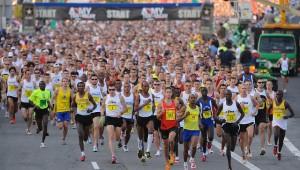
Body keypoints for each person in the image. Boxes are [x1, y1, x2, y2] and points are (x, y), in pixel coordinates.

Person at [216, 90, 244, 170]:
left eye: (229, 94)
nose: (228, 96)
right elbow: (216, 115)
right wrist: (220, 120)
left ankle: (229, 143)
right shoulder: (223, 104)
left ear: (231, 95)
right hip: (226, 125)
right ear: (225, 95)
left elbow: (242, 114)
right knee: (228, 146)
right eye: (226, 94)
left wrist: (237, 121)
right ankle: (229, 166)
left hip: (234, 126)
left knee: (232, 148)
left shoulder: (236, 103)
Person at [102, 81, 127, 164]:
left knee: (116, 137)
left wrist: (121, 113)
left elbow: (125, 108)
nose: (111, 91)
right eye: (110, 89)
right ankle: (113, 156)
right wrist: (102, 114)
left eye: (113, 89)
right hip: (109, 118)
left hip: (118, 118)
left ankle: (120, 137)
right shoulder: (106, 98)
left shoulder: (120, 97)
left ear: (115, 89)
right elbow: (102, 107)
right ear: (108, 90)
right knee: (111, 137)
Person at [72, 82, 97, 161]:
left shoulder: (88, 95)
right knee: (80, 134)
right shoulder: (75, 96)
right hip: (79, 116)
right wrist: (75, 112)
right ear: (77, 88)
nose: (81, 88)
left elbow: (95, 105)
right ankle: (82, 153)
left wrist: (91, 109)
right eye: (79, 86)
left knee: (85, 137)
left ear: (84, 87)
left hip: (87, 116)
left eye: (82, 86)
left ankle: (87, 136)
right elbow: (73, 105)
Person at [269, 90, 294, 160]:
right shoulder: (273, 102)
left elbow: (292, 114)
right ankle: (275, 146)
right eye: (276, 94)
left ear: (282, 96)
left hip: (283, 121)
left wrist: (287, 116)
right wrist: (269, 118)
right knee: (276, 133)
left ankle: (279, 152)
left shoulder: (285, 103)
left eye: (279, 95)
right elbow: (268, 110)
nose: (277, 96)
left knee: (281, 139)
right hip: (276, 120)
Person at [156, 87, 178, 170]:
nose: (168, 94)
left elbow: (181, 110)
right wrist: (162, 112)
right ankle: (167, 163)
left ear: (172, 93)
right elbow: (157, 117)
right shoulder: (160, 104)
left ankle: (172, 153)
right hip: (164, 127)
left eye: (170, 92)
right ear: (164, 93)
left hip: (173, 126)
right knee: (165, 146)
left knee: (171, 139)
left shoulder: (175, 102)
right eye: (167, 92)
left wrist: (180, 116)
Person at [134, 81, 155, 162]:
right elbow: (135, 109)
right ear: (141, 87)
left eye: (147, 86)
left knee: (151, 130)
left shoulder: (151, 96)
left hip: (149, 117)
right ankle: (139, 148)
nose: (146, 88)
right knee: (140, 137)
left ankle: (148, 151)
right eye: (145, 86)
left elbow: (154, 107)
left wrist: (152, 113)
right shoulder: (138, 96)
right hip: (140, 117)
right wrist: (144, 104)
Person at [236, 83, 258, 162]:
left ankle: (247, 148)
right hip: (241, 121)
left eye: (245, 88)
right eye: (242, 88)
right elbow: (232, 107)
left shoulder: (250, 97)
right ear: (239, 89)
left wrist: (254, 112)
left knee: (250, 135)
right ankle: (243, 153)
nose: (244, 90)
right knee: (241, 139)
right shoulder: (237, 98)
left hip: (250, 119)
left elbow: (257, 104)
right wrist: (239, 108)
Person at [179, 94, 201, 170]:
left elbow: (199, 118)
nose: (193, 99)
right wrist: (185, 115)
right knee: (186, 149)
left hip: (195, 130)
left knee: (194, 145)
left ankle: (192, 158)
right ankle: (185, 163)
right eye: (191, 98)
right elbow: (178, 119)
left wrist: (200, 124)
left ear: (196, 99)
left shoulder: (198, 108)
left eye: (194, 98)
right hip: (186, 130)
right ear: (188, 99)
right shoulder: (185, 107)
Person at [29, 81, 52, 148]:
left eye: (43, 84)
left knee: (45, 124)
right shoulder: (35, 92)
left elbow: (47, 100)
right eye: (40, 85)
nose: (41, 85)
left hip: (45, 110)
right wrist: (35, 105)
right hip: (38, 110)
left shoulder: (48, 92)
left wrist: (51, 106)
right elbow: (30, 100)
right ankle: (39, 128)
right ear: (39, 85)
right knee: (40, 126)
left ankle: (42, 142)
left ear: (45, 85)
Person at [197, 87, 218, 161]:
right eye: (203, 91)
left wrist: (215, 116)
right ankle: (204, 154)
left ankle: (209, 143)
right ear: (201, 92)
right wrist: (199, 122)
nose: (204, 92)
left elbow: (217, 107)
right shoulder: (198, 101)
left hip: (210, 120)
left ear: (207, 91)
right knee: (204, 137)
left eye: (205, 91)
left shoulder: (211, 100)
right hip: (202, 121)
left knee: (211, 136)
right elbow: (197, 112)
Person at [86, 74, 103, 152]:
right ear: (90, 80)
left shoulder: (100, 89)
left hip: (97, 110)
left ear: (97, 80)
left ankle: (95, 144)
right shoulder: (88, 88)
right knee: (90, 128)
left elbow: (102, 100)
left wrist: (103, 109)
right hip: (89, 110)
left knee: (96, 127)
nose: (94, 80)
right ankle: (89, 136)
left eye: (96, 79)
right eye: (92, 79)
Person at [53, 77, 72, 145]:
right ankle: (56, 120)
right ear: (61, 82)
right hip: (59, 110)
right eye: (63, 81)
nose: (65, 83)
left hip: (67, 110)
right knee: (60, 127)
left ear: (68, 83)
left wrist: (72, 107)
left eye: (66, 81)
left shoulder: (70, 90)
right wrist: (54, 108)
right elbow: (53, 98)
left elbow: (72, 100)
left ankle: (63, 138)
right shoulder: (58, 89)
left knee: (66, 125)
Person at [19, 69, 35, 134]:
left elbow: (36, 91)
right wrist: (19, 99)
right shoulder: (23, 82)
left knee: (30, 115)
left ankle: (28, 129)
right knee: (25, 117)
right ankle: (27, 122)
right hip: (23, 101)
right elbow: (18, 90)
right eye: (27, 74)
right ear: (25, 75)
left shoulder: (33, 83)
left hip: (31, 102)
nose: (28, 75)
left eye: (30, 74)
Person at [121, 82, 135, 152]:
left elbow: (134, 106)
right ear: (123, 88)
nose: (126, 88)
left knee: (128, 132)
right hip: (123, 115)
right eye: (125, 87)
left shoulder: (133, 96)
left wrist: (134, 116)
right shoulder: (121, 95)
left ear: (130, 88)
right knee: (124, 126)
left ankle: (125, 144)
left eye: (128, 87)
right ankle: (122, 133)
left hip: (130, 116)